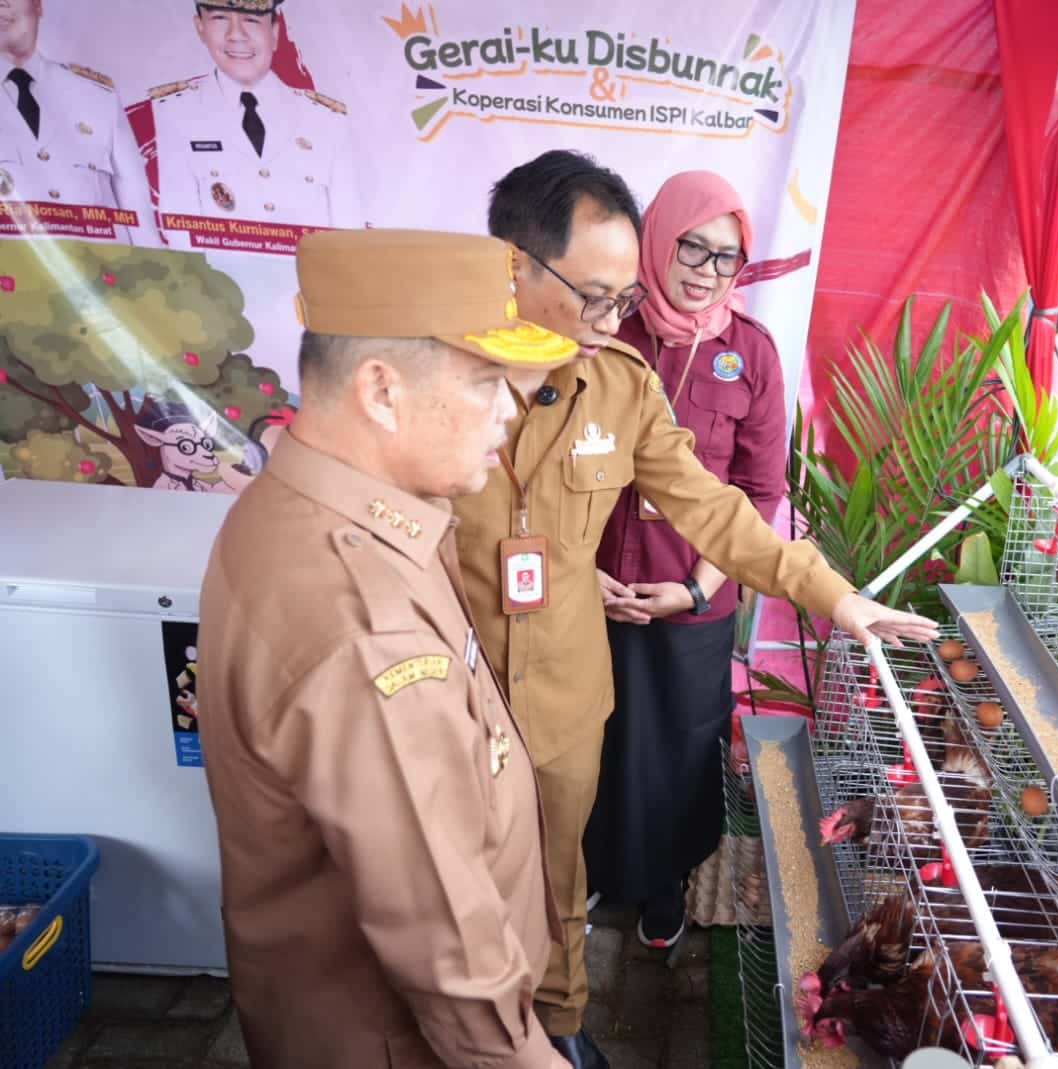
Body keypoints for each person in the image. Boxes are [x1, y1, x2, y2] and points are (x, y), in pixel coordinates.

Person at [454, 149, 939, 1069]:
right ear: (514, 266)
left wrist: (835, 597)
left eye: (621, 299)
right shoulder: (435, 377)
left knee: (560, 873)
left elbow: (722, 507)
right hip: (451, 688)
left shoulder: (622, 385)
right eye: (594, 296)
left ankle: (556, 1025)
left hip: (559, 692)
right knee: (449, 872)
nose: (610, 321)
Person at [195, 228, 581, 1069]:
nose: (511, 412)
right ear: (381, 390)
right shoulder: (366, 624)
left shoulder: (305, 506)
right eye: (486, 383)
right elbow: (446, 945)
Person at [581, 171, 785, 949]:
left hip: (691, 596)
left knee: (674, 744)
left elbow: (760, 491)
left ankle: (663, 881)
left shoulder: (752, 355)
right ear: (656, 240)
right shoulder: (603, 333)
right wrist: (575, 572)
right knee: (593, 737)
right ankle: (591, 867)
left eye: (725, 256)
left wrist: (696, 590)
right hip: (588, 587)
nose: (703, 267)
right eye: (691, 246)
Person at [149, 0, 363, 228]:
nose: (236, 35)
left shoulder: (327, 120)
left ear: (274, 32)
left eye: (251, 19)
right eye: (220, 18)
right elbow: (181, 229)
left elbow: (349, 230)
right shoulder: (174, 113)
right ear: (200, 27)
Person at [0, 0, 158, 243]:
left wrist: (153, 278)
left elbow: (139, 220)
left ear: (38, 5)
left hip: (103, 274)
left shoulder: (97, 96)